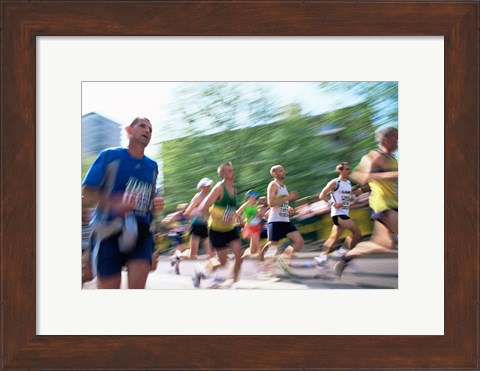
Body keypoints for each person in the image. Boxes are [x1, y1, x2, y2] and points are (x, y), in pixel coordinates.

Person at [82, 117, 164, 289]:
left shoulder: (152, 166)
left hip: (141, 232)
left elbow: (151, 201)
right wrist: (113, 202)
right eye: (143, 126)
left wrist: (155, 205)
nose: (147, 131)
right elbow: (86, 195)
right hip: (108, 231)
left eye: (150, 129)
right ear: (128, 130)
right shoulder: (109, 156)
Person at [334, 127, 398, 277]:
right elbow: (359, 176)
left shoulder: (393, 159)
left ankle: (346, 257)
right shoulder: (374, 155)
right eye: (395, 138)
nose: (398, 141)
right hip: (383, 204)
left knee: (384, 244)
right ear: (384, 140)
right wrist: (392, 174)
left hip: (394, 203)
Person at [192, 161, 243, 288]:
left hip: (230, 228)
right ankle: (200, 271)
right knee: (223, 262)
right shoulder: (219, 188)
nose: (233, 172)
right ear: (223, 174)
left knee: (239, 256)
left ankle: (232, 282)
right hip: (217, 230)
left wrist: (238, 217)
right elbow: (204, 207)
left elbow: (230, 209)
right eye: (229, 170)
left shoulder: (234, 189)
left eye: (232, 169)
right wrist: (214, 217)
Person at [313, 162, 362, 268]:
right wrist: (333, 204)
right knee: (357, 232)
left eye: (349, 169)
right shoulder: (335, 182)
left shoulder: (348, 183)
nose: (349, 171)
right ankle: (343, 252)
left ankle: (321, 258)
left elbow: (348, 199)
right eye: (347, 169)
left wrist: (356, 195)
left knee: (333, 238)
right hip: (338, 214)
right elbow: (322, 195)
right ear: (340, 171)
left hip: (344, 212)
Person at [170, 177, 215, 275]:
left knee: (210, 252)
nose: (209, 187)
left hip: (205, 226)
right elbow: (187, 212)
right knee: (192, 255)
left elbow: (210, 212)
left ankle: (210, 274)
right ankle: (178, 256)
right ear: (202, 187)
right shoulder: (198, 197)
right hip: (196, 226)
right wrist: (198, 212)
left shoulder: (210, 197)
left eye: (209, 185)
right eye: (207, 185)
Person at [266, 165, 304, 270]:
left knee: (299, 241)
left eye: (283, 170)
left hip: (285, 220)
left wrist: (288, 207)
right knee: (274, 248)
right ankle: (266, 271)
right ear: (274, 174)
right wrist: (288, 197)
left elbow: (282, 202)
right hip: (275, 220)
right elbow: (271, 203)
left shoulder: (283, 186)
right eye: (281, 171)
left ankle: (285, 260)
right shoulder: (273, 185)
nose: (284, 172)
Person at [162, 203, 190, 274]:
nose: (187, 209)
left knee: (181, 251)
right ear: (181, 209)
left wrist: (186, 229)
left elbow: (187, 224)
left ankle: (173, 258)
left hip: (181, 234)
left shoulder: (187, 215)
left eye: (187, 207)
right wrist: (173, 227)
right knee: (180, 250)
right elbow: (164, 222)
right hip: (174, 234)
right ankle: (176, 268)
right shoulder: (176, 215)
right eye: (185, 208)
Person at [237, 190, 262, 259]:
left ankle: (242, 257)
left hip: (257, 226)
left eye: (255, 195)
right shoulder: (245, 205)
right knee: (259, 244)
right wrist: (240, 220)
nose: (254, 196)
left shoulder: (255, 205)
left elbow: (258, 216)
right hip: (249, 227)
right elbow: (237, 213)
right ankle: (261, 260)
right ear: (248, 197)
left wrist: (259, 214)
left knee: (253, 251)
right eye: (252, 195)